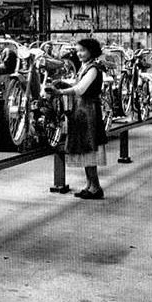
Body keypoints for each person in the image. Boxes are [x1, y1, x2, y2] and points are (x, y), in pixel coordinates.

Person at [51, 37, 107, 199]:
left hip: (88, 111)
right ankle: (90, 185)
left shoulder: (94, 68)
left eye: (82, 50)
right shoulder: (85, 67)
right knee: (84, 148)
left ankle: (95, 187)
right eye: (77, 51)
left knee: (89, 148)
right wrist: (63, 82)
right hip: (81, 110)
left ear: (91, 51)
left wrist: (60, 92)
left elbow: (81, 89)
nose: (79, 54)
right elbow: (77, 84)